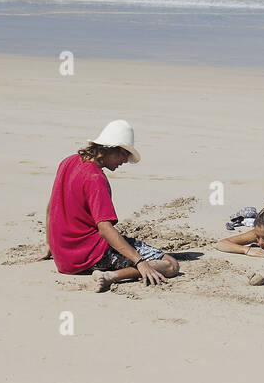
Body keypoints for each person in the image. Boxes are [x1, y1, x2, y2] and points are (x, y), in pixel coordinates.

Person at [41, 120, 180, 292]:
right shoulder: (95, 178)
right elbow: (105, 228)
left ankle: (112, 271)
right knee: (170, 264)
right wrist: (139, 261)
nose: (125, 161)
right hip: (90, 256)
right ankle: (109, 277)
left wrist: (50, 243)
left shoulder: (68, 162)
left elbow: (51, 205)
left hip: (63, 259)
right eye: (123, 154)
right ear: (110, 149)